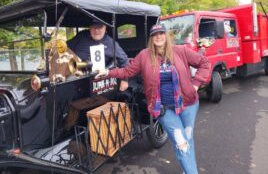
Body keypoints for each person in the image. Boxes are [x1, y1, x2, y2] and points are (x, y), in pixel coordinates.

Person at [96, 24, 211, 174]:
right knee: (181, 142)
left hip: (188, 104)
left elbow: (204, 63)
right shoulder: (144, 55)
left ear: (166, 35)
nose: (158, 36)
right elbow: (127, 71)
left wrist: (195, 84)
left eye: (161, 33)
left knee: (187, 138)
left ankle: (187, 169)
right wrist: (106, 72)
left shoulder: (180, 51)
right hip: (163, 108)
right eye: (155, 34)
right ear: (151, 38)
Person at [67, 21, 129, 91]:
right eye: (93, 27)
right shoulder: (81, 36)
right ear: (89, 28)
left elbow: (124, 61)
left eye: (99, 27)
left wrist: (125, 80)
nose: (96, 30)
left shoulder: (112, 43)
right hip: (76, 75)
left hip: (99, 80)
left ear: (105, 28)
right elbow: (66, 48)